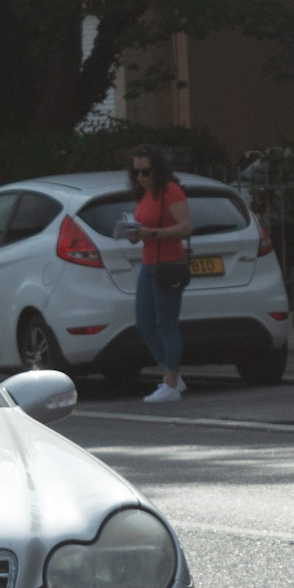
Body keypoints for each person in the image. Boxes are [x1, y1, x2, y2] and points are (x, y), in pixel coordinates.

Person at [120, 146, 195, 403]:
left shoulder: (170, 192)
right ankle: (171, 373)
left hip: (168, 265)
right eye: (136, 172)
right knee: (144, 323)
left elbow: (185, 227)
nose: (141, 177)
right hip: (148, 264)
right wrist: (133, 234)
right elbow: (144, 230)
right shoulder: (145, 195)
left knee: (167, 325)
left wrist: (150, 233)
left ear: (157, 170)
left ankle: (171, 384)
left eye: (146, 171)